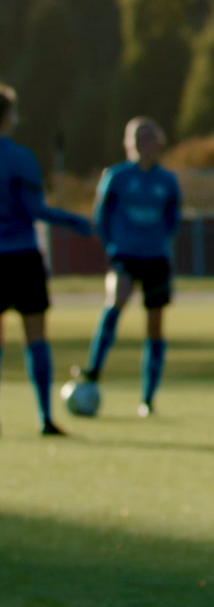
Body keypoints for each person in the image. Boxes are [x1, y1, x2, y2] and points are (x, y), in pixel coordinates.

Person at [0, 83, 95, 436]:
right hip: (22, 257)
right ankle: (43, 417)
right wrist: (74, 220)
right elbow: (34, 209)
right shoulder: (21, 158)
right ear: (9, 116)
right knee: (35, 339)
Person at [74, 117, 181, 417]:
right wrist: (111, 246)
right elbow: (102, 215)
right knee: (115, 303)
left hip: (156, 258)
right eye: (136, 137)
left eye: (147, 137)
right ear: (127, 143)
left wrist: (159, 241)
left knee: (155, 325)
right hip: (125, 255)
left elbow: (173, 218)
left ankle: (147, 398)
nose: (141, 143)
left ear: (158, 142)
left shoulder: (167, 181)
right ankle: (93, 371)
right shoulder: (117, 177)